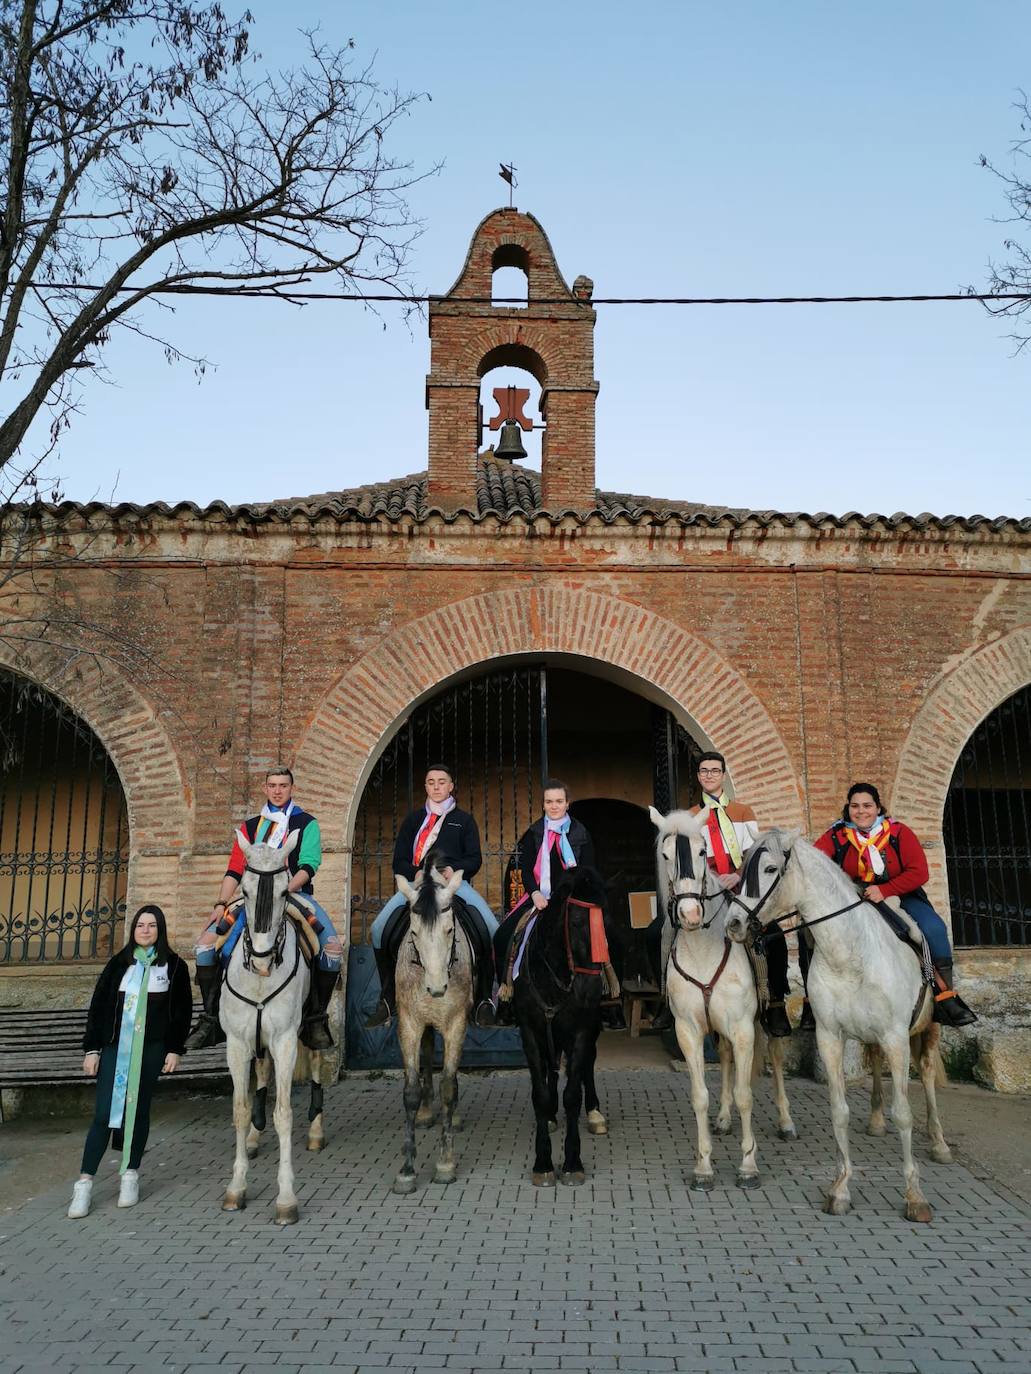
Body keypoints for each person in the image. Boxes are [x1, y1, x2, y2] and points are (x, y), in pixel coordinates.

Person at [184, 766, 343, 1052]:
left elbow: (309, 863)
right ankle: (210, 1019)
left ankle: (316, 1018)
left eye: (283, 785)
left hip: (295, 893)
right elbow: (234, 869)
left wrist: (285, 890)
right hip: (251, 898)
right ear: (265, 789)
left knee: (331, 950)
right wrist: (221, 903)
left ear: (291, 788)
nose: (278, 790)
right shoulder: (250, 826)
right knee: (205, 948)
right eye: (272, 785)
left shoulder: (306, 823)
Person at [652, 751, 794, 1037]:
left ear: (724, 775)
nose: (709, 775)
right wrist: (713, 880)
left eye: (715, 771)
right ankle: (666, 1002)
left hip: (742, 888)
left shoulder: (743, 812)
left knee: (774, 936)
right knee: (658, 932)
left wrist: (739, 876)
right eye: (703, 771)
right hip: (706, 890)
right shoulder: (690, 816)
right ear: (698, 776)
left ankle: (774, 1002)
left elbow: (753, 852)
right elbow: (687, 860)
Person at [814, 783, 977, 1028]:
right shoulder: (836, 835)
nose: (861, 811)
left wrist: (886, 889)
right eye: (855, 806)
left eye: (867, 806)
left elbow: (919, 872)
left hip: (902, 893)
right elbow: (816, 862)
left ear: (878, 807)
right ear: (848, 809)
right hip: (853, 899)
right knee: (811, 933)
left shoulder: (898, 832)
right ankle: (810, 1001)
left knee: (934, 929)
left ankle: (944, 997)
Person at [68, 904, 192, 1219]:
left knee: (137, 1112)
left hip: (150, 1051)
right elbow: (98, 1008)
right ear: (133, 930)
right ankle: (84, 1183)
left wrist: (175, 1049)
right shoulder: (118, 964)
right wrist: (92, 1050)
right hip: (113, 1049)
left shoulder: (174, 967)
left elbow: (181, 1013)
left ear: (160, 930)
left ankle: (130, 1175)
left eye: (152, 925)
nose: (146, 930)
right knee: (103, 1113)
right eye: (140, 925)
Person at [366, 764, 498, 1029]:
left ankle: (484, 999)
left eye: (442, 782)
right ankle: (388, 997)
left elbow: (474, 858)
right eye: (431, 782)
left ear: (451, 786)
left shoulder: (464, 820)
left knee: (493, 929)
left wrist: (455, 869)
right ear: (425, 787)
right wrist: (414, 872)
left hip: (453, 886)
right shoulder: (413, 820)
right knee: (378, 928)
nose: (436, 787)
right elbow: (398, 861)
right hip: (419, 884)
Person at [493, 778, 598, 1017]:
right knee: (502, 936)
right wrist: (535, 892)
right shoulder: (534, 833)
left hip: (573, 900)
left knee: (601, 937)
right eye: (549, 802)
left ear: (567, 804)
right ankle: (507, 997)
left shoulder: (581, 833)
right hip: (539, 897)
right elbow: (526, 869)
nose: (554, 806)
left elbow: (589, 869)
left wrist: (576, 895)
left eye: (559, 801)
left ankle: (603, 998)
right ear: (543, 805)